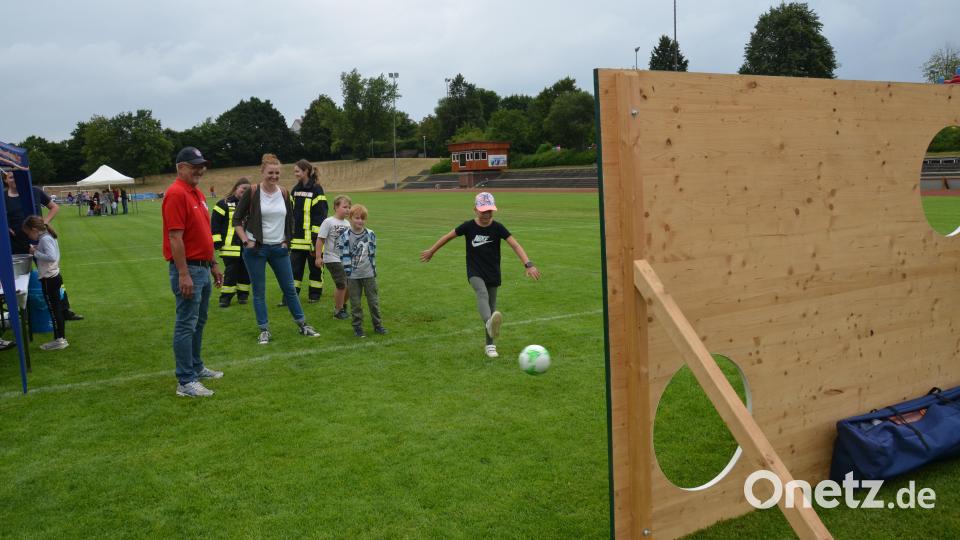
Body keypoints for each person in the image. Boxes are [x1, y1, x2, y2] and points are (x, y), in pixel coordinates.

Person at [420, 192, 540, 358]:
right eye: (483, 210)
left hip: (493, 272)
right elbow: (448, 237)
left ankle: (490, 346)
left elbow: (515, 245)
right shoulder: (468, 226)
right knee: (482, 294)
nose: (487, 214)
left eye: (490, 210)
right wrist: (431, 251)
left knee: (491, 309)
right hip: (475, 271)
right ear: (475, 209)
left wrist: (528, 264)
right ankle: (489, 323)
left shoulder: (498, 228)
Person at [232, 153, 321, 344]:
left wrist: (287, 240)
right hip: (256, 250)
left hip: (279, 249)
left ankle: (303, 325)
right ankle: (264, 330)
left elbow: (290, 218)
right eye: (270, 172)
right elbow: (237, 219)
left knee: (289, 288)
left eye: (277, 173)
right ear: (262, 172)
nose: (274, 176)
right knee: (259, 291)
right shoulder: (253, 191)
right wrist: (246, 241)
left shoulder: (284, 192)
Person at [163, 146, 225, 398]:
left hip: (202, 266)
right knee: (186, 324)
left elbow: (203, 234)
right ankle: (185, 381)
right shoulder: (176, 193)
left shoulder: (196, 193)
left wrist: (213, 263)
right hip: (188, 268)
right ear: (181, 168)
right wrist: (183, 274)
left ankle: (196, 367)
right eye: (194, 165)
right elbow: (175, 237)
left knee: (198, 321)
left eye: (202, 165)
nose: (200, 169)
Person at [2, 168, 83, 321]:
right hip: (16, 245)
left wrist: (43, 223)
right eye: (10, 177)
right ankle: (22, 314)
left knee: (52, 275)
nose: (14, 180)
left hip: (38, 242)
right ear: (6, 180)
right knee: (18, 280)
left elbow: (54, 207)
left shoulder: (34, 191)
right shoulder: (3, 197)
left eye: (16, 177)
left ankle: (64, 310)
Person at [337, 204, 386, 338]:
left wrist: (372, 269)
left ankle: (378, 325)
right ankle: (358, 327)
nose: (360, 221)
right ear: (351, 218)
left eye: (362, 218)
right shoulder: (344, 236)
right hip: (353, 276)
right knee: (355, 304)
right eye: (357, 218)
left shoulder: (370, 234)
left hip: (369, 274)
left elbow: (372, 253)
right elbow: (342, 254)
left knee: (373, 302)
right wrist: (348, 270)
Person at [284, 159, 327, 306]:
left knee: (315, 270)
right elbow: (290, 214)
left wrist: (317, 240)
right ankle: (290, 297)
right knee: (293, 271)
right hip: (297, 240)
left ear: (306, 171)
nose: (295, 174)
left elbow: (321, 215)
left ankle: (314, 295)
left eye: (297, 171)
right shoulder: (295, 190)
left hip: (313, 241)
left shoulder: (317, 189)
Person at [22, 216, 68, 350]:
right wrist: (38, 249)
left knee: (54, 311)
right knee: (56, 309)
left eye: (29, 233)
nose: (29, 236)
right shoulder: (46, 237)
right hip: (53, 277)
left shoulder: (45, 238)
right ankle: (60, 338)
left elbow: (51, 257)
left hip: (50, 279)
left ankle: (60, 340)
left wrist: (35, 252)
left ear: (34, 229)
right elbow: (51, 253)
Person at [211, 177, 251, 308]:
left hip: (246, 246)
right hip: (229, 246)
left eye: (248, 190)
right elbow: (215, 224)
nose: (245, 192)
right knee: (231, 272)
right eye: (243, 189)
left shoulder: (251, 205)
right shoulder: (223, 204)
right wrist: (216, 242)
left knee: (245, 272)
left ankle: (243, 295)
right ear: (236, 188)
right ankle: (225, 298)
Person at [315, 195, 351, 319]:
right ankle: (338, 310)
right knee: (342, 283)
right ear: (336, 207)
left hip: (344, 258)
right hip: (332, 258)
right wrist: (318, 257)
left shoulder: (347, 223)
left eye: (349, 207)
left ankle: (342, 305)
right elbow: (320, 240)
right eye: (344, 207)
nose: (347, 209)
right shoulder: (328, 222)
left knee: (350, 284)